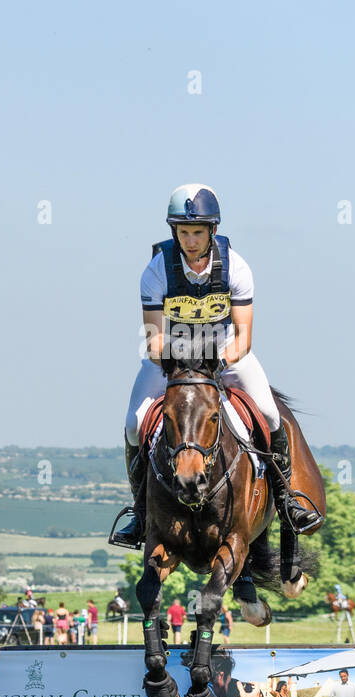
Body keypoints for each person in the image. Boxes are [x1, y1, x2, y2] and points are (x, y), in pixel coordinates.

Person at [111, 184, 323, 550]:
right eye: (183, 232)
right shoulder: (157, 269)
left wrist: (217, 364)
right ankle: (141, 512)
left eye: (197, 232)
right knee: (133, 424)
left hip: (226, 354)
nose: (190, 240)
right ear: (173, 232)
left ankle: (286, 499)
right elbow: (153, 339)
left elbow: (243, 336)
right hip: (172, 360)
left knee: (270, 415)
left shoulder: (236, 267)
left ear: (212, 230)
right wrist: (182, 366)